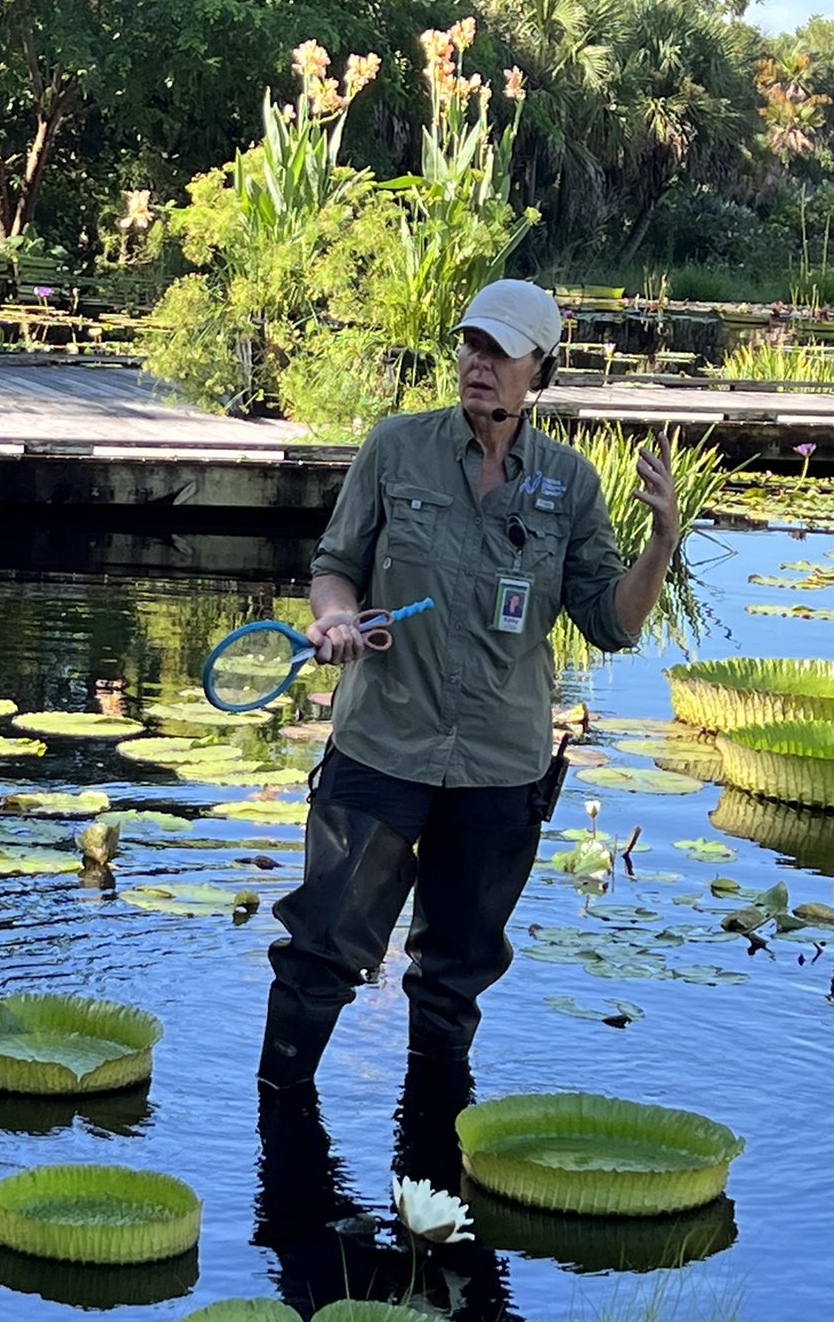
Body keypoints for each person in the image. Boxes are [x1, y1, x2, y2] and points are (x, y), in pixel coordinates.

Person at [257, 277, 680, 1093]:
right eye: (471, 346)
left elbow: (611, 622)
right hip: (382, 744)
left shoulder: (569, 484)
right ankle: (280, 1128)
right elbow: (336, 567)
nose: (478, 364)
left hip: (499, 765)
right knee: (321, 950)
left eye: (500, 352)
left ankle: (431, 1145)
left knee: (454, 977)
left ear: (540, 371)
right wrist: (335, 619)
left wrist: (660, 543)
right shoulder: (396, 448)